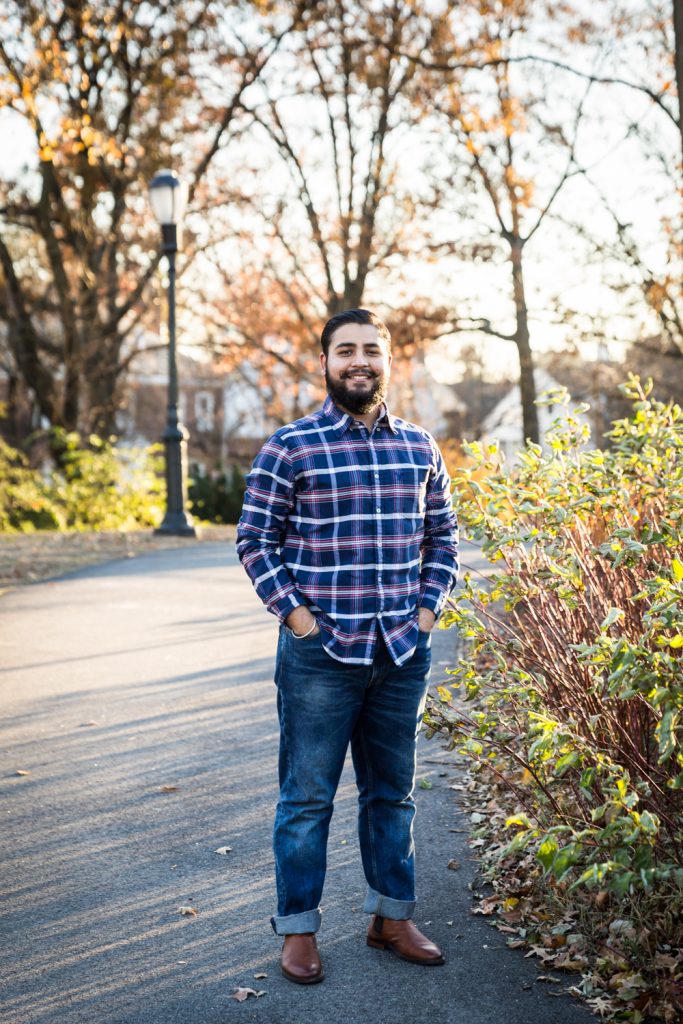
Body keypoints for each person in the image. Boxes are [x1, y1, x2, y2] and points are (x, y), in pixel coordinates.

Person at [236, 308, 458, 985]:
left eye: (371, 350)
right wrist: (299, 620)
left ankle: (390, 917)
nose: (359, 361)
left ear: (388, 361)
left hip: (399, 652)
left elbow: (443, 540)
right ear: (325, 362)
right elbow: (255, 541)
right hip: (319, 658)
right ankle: (298, 929)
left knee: (391, 795)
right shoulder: (290, 447)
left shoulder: (420, 447)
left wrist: (424, 615)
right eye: (345, 351)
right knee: (306, 799)